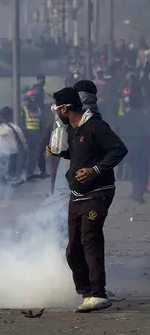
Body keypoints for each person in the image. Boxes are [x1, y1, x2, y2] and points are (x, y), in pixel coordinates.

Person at [47, 87, 127, 312]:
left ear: (65, 108)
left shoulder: (95, 126)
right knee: (73, 247)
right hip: (77, 194)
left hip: (98, 192)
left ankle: (98, 293)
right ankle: (86, 292)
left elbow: (119, 149)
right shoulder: (72, 129)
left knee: (89, 239)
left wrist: (95, 170)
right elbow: (77, 152)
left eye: (57, 108)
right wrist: (57, 153)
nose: (56, 113)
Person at [0, 106, 27, 185]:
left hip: (5, 154)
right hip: (6, 154)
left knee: (5, 172)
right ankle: (7, 183)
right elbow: (22, 139)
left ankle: (6, 183)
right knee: (8, 172)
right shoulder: (13, 127)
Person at [21, 90, 47, 178]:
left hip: (37, 135)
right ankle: (27, 173)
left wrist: (43, 135)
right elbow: (23, 123)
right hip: (28, 135)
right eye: (31, 97)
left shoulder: (38, 109)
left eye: (34, 97)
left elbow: (41, 123)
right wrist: (24, 136)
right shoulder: (24, 109)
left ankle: (31, 173)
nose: (33, 98)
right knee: (29, 155)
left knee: (37, 155)